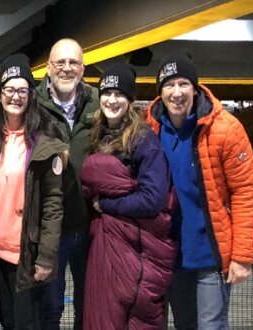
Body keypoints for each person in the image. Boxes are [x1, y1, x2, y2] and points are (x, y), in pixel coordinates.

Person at [143, 51, 253, 329]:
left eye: (184, 84)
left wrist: (242, 257)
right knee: (185, 324)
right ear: (160, 92)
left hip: (211, 254)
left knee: (211, 325)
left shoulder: (226, 129)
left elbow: (245, 192)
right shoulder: (149, 128)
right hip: (171, 252)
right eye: (169, 85)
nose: (177, 92)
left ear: (195, 89)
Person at [81, 63, 177, 329]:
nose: (112, 100)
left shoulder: (143, 140)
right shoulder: (99, 134)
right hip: (107, 243)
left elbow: (152, 199)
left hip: (136, 248)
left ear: (130, 100)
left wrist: (107, 204)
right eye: (107, 93)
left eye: (119, 94)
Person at [0, 54, 67, 329]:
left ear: (31, 96)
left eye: (23, 90)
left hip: (28, 255)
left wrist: (46, 257)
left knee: (27, 324)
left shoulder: (43, 139)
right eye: (9, 89)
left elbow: (53, 205)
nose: (16, 96)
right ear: (0, 94)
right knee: (8, 322)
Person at [35, 38, 100, 330]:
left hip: (91, 227)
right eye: (60, 62)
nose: (66, 68)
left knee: (90, 307)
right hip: (52, 232)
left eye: (73, 62)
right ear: (48, 68)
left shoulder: (99, 102)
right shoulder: (32, 103)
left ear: (83, 68)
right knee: (50, 309)